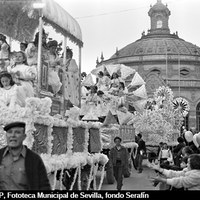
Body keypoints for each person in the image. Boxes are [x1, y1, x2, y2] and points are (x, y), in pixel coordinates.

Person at [0, 122, 51, 190]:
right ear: (6, 135)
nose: (12, 135)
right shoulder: (1, 155)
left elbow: (44, 186)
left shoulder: (34, 159)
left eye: (17, 132)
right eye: (9, 132)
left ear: (24, 137)